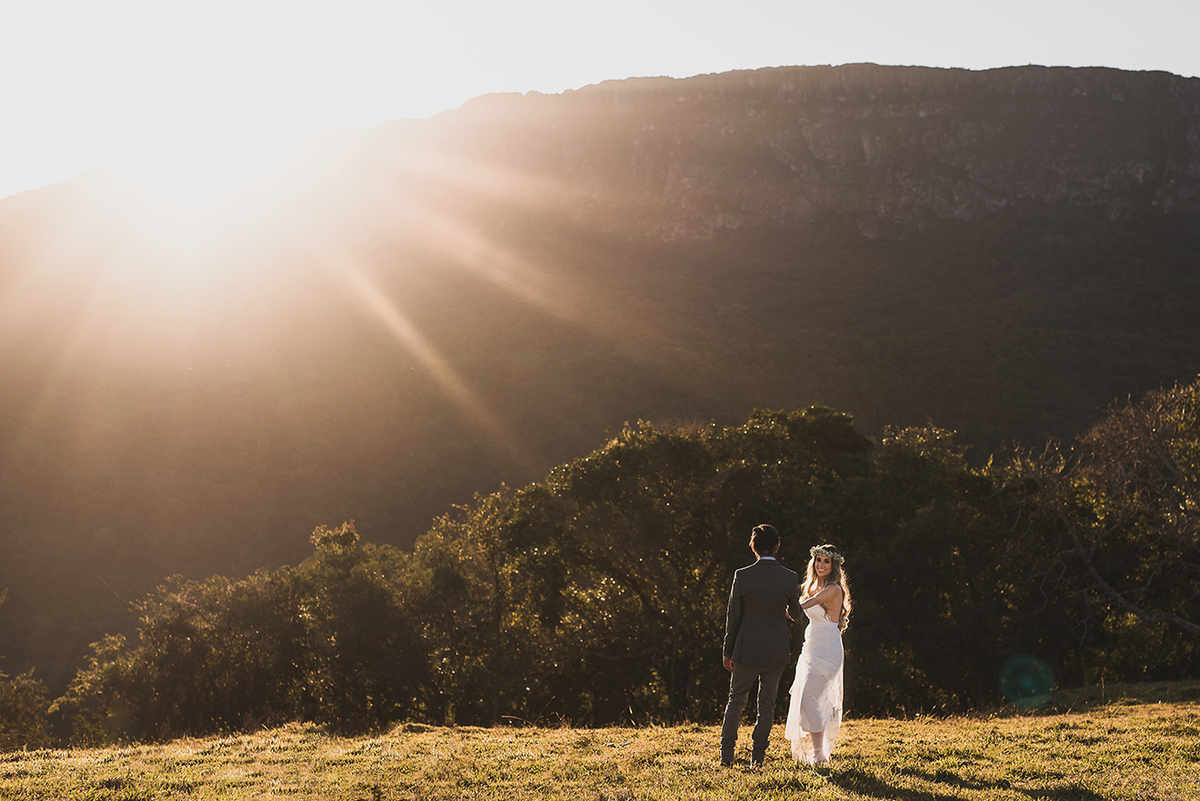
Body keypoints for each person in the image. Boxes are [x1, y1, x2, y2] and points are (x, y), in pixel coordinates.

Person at [720, 524, 803, 767]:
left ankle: (727, 757)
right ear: (777, 546)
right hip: (776, 651)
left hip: (745, 650)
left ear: (753, 547)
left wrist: (728, 651)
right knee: (766, 705)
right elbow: (798, 615)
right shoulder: (789, 577)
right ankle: (757, 758)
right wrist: (788, 610)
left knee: (735, 701)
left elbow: (733, 617)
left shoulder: (742, 575)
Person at [784, 543, 851, 766]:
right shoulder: (811, 585)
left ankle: (819, 753)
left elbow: (804, 606)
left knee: (808, 699)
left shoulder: (833, 589)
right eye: (818, 560)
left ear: (834, 566)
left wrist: (783, 601)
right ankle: (818, 753)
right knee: (812, 698)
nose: (821, 564)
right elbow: (798, 611)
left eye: (826, 561)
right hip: (811, 646)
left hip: (827, 649)